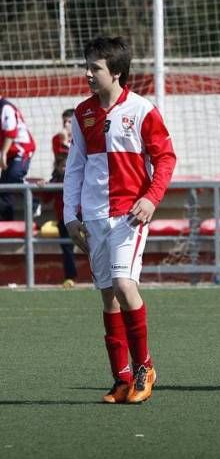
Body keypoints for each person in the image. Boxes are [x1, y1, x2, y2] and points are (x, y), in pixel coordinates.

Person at [63, 36, 176, 403]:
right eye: (88, 65)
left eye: (95, 67)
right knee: (108, 297)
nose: (88, 73)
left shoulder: (143, 110)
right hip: (93, 216)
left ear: (117, 72)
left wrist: (151, 198)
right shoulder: (82, 113)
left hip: (129, 216)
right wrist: (69, 216)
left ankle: (145, 366)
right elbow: (75, 168)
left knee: (125, 286)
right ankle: (122, 379)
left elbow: (166, 158)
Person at [39, 153, 78, 288]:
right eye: (62, 166)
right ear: (57, 167)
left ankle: (103, 276)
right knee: (67, 247)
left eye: (68, 165)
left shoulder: (78, 177)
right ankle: (70, 277)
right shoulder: (55, 180)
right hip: (64, 219)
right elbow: (46, 199)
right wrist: (43, 186)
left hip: (83, 217)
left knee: (95, 245)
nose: (65, 168)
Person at [0, 96, 36, 220]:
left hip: (22, 150)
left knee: (13, 177)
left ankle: (34, 202)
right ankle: (7, 220)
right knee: (4, 189)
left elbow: (11, 132)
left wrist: (3, 153)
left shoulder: (5, 107)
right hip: (10, 153)